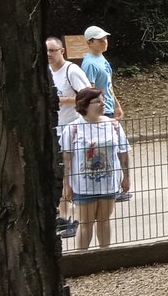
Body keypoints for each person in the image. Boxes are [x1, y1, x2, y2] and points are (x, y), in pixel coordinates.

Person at [61, 86, 131, 250]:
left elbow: (123, 152)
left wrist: (126, 177)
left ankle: (105, 254)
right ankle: (82, 257)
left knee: (104, 220)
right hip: (83, 187)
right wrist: (66, 185)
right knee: (86, 223)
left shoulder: (113, 125)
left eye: (103, 100)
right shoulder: (72, 129)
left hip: (108, 184)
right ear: (85, 105)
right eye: (97, 101)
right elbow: (67, 160)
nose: (103, 103)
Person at [47, 36, 92, 131]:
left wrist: (59, 100)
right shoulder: (47, 71)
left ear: (62, 51)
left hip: (75, 130)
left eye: (52, 50)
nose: (48, 54)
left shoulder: (72, 71)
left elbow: (89, 97)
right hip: (55, 129)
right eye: (46, 51)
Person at [80, 24, 123, 120]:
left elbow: (108, 85)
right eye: (100, 40)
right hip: (101, 112)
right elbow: (90, 91)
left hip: (109, 109)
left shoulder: (101, 57)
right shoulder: (90, 64)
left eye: (106, 39)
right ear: (89, 43)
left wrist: (116, 105)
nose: (105, 42)